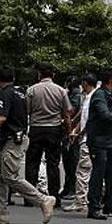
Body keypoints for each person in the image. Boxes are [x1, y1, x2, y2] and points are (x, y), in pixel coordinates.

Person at [0, 67, 56, 224]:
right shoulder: (20, 93)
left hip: (13, 140)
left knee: (11, 176)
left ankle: (43, 200)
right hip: (11, 139)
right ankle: (0, 213)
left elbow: (1, 118)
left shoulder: (6, 94)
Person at [25, 62, 73, 207]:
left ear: (39, 74)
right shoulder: (60, 91)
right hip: (54, 129)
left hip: (36, 128)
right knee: (53, 164)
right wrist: (69, 131)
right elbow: (67, 112)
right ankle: (54, 196)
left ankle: (30, 197)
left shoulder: (32, 90)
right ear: (53, 75)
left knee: (32, 162)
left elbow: (27, 110)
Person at [85, 69, 112, 220]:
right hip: (98, 142)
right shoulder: (99, 96)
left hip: (109, 141)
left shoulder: (110, 97)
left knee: (111, 175)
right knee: (98, 175)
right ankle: (94, 207)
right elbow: (104, 115)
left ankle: (109, 205)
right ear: (110, 80)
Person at [63, 73, 98, 213]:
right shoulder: (87, 97)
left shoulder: (93, 98)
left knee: (82, 171)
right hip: (88, 137)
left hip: (88, 139)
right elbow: (82, 117)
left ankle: (80, 201)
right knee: (94, 170)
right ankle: (111, 196)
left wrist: (80, 133)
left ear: (85, 83)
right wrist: (75, 128)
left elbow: (89, 120)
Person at [61, 76, 82, 204]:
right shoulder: (75, 93)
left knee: (71, 161)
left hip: (72, 131)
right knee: (68, 160)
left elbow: (71, 111)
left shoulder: (75, 94)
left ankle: (71, 189)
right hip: (71, 130)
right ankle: (68, 187)